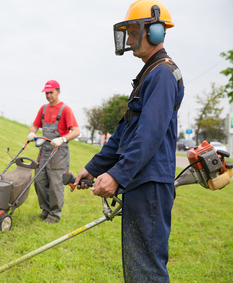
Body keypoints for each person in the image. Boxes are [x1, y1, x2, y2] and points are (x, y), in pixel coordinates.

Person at [74, 0, 184, 282]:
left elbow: (149, 134)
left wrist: (118, 176)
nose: (130, 38)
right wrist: (95, 168)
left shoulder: (162, 75)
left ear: (155, 32)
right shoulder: (148, 74)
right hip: (141, 181)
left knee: (146, 269)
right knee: (138, 266)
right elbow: (126, 131)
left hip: (150, 184)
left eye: (134, 30)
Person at [27, 80, 80, 223]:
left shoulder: (65, 110)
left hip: (59, 152)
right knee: (39, 181)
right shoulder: (43, 109)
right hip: (44, 150)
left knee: (55, 185)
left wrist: (63, 139)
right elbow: (35, 125)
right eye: (47, 92)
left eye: (51, 92)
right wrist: (32, 133)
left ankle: (54, 215)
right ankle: (46, 210)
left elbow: (76, 131)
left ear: (58, 92)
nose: (49, 95)